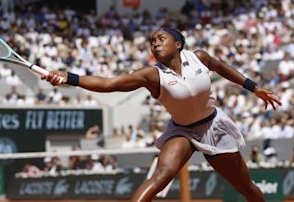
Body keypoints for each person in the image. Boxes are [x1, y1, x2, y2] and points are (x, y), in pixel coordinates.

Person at [43, 27, 281, 202]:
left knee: (246, 188)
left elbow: (222, 68)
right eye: (151, 42)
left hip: (214, 126)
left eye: (161, 39)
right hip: (182, 131)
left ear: (178, 44)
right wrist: (69, 77)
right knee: (161, 176)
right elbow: (109, 83)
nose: (155, 44)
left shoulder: (200, 57)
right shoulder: (152, 75)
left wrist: (253, 87)